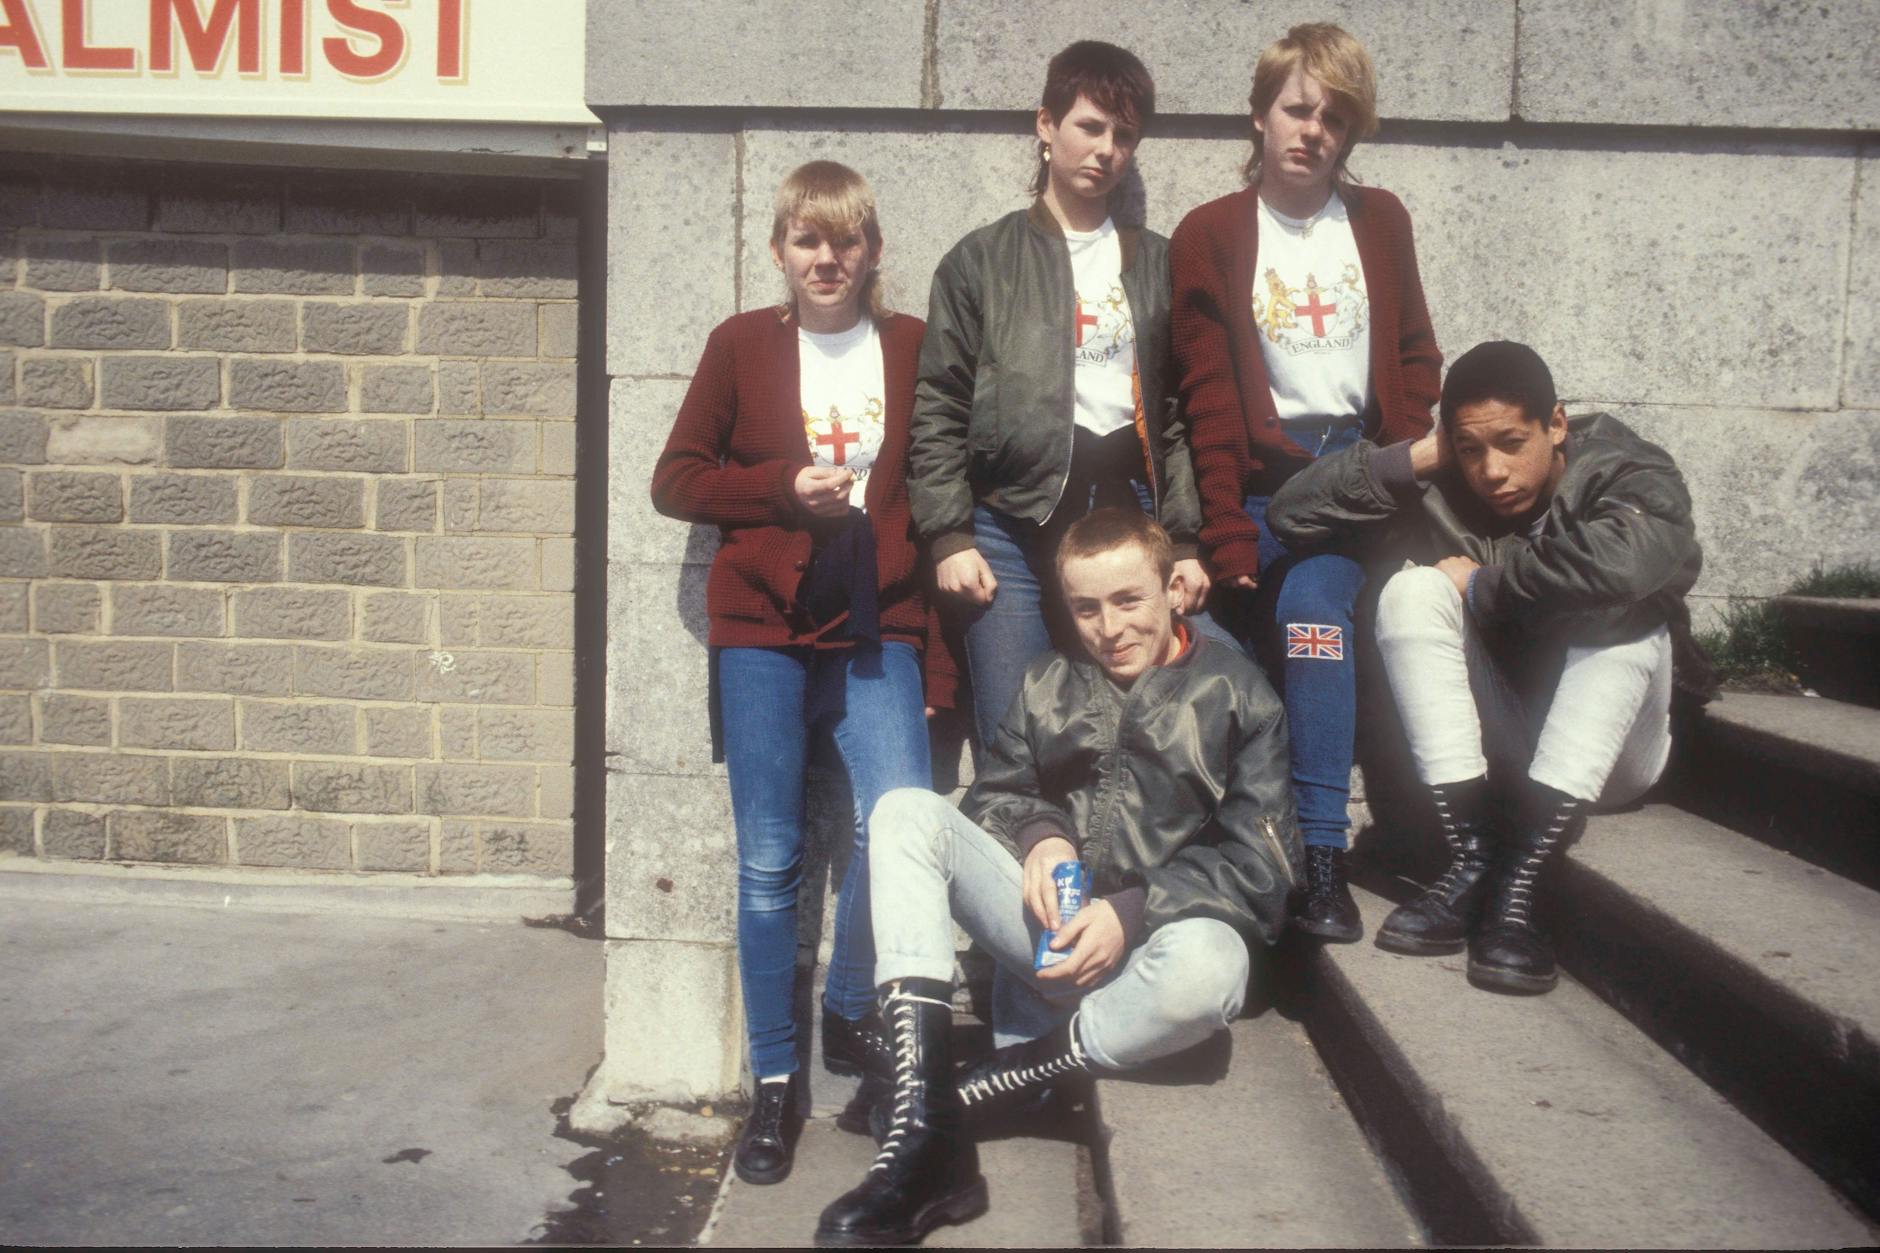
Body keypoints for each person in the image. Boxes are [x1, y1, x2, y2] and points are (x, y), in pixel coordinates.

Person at [813, 509, 1301, 1246]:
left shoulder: (1241, 694)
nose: (1109, 626)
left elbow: (1264, 866)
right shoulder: (1049, 680)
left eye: (1128, 600)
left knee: (1214, 967)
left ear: (1173, 589)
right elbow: (996, 791)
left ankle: (978, 1089)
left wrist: (1134, 909)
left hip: (1151, 957)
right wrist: (1040, 837)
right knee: (905, 811)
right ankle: (925, 1137)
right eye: (1086, 607)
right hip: (1048, 940)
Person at [650, 161, 954, 1185]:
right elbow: (675, 478)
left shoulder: (911, 344)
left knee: (897, 822)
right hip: (762, 629)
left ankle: (849, 1004)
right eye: (807, 242)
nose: (828, 260)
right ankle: (773, 1084)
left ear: (872, 250)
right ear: (779, 250)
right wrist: (781, 488)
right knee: (771, 856)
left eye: (847, 241)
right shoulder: (740, 345)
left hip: (878, 619)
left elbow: (941, 471)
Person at [1266, 340, 1709, 994]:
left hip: (1612, 750)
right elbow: (1289, 511)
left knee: (1624, 617)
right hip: (1508, 737)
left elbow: (1627, 566)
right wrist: (1420, 454)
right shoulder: (1446, 477)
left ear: (1556, 424)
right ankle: (1474, 851)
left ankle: (1519, 879)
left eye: (1511, 442)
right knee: (1411, 590)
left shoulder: (1625, 467)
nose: (1492, 470)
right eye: (1471, 450)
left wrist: (1486, 586)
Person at [1169, 23, 1441, 943]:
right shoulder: (1211, 233)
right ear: (1259, 114)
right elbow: (1205, 398)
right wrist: (1226, 528)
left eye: (1334, 116)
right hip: (1260, 482)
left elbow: (1414, 351)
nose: (1312, 130)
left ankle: (1322, 862)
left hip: (1358, 481)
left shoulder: (1381, 220)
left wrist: (1396, 461)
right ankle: (1262, 857)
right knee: (1245, 645)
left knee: (1316, 619)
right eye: (1296, 107)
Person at [910, 39, 1220, 763]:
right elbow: (939, 404)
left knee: (1163, 721)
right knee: (1018, 731)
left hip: (1129, 518)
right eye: (1090, 126)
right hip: (1009, 526)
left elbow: (1178, 411)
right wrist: (949, 535)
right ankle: (1023, 873)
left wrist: (1185, 539)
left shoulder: (1159, 262)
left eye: (1124, 135)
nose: (1106, 150)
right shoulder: (980, 260)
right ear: (1046, 125)